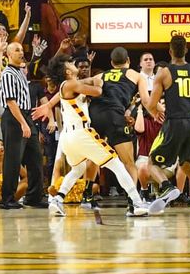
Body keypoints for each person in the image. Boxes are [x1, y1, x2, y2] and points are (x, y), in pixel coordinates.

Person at [43, 55, 149, 217]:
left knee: (79, 168)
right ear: (67, 72)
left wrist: (49, 104)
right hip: (81, 133)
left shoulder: (69, 85)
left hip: (69, 137)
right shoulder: (71, 83)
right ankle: (136, 203)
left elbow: (85, 84)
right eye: (70, 63)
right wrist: (99, 82)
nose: (73, 63)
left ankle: (58, 199)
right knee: (116, 163)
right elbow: (98, 91)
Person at [143, 36, 190, 216]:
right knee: (186, 165)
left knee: (151, 163)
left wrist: (155, 112)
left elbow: (151, 104)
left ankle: (166, 187)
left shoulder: (164, 73)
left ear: (170, 51)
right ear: (186, 50)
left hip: (175, 122)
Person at [0, 43, 45, 209]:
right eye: (17, 50)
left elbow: (30, 65)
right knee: (13, 159)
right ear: (9, 54)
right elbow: (11, 102)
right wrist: (23, 123)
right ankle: (7, 199)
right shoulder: (8, 74)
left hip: (26, 116)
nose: (21, 52)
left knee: (36, 157)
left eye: (22, 50)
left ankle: (34, 197)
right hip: (14, 117)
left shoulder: (20, 71)